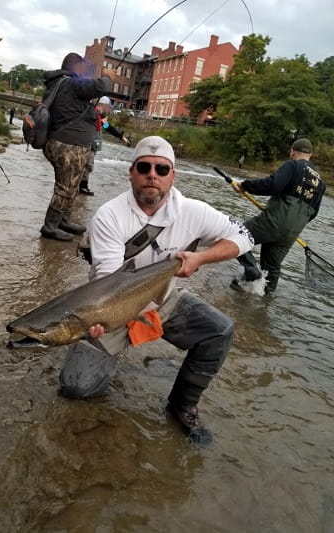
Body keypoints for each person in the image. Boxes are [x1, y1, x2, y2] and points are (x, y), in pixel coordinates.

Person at [58, 136, 254, 445]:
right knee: (76, 388)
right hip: (111, 306)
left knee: (219, 330)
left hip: (164, 298)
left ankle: (183, 405)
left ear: (172, 175)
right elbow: (110, 284)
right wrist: (97, 323)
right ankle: (95, 349)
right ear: (131, 172)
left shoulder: (194, 211)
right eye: (145, 167)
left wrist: (202, 257)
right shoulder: (109, 216)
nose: (153, 175)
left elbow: (244, 235)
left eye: (162, 169)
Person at [231, 138, 326, 294]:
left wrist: (245, 185)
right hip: (291, 233)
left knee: (236, 234)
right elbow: (313, 213)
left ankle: (252, 272)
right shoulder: (321, 183)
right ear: (311, 155)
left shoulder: (293, 165)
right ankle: (264, 302)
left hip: (273, 222)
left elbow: (272, 185)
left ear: (292, 151)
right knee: (272, 268)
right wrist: (292, 226)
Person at [41, 53, 116, 241]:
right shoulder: (72, 83)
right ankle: (50, 226)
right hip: (68, 145)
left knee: (72, 184)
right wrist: (107, 75)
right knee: (66, 186)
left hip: (64, 143)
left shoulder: (60, 84)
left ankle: (63, 220)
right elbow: (101, 86)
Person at [79, 96, 131, 196]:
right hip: (86, 144)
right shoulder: (93, 113)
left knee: (87, 165)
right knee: (87, 165)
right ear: (103, 105)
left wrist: (121, 137)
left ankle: (81, 185)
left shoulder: (101, 118)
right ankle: (82, 187)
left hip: (91, 145)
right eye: (108, 107)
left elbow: (108, 128)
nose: (109, 110)